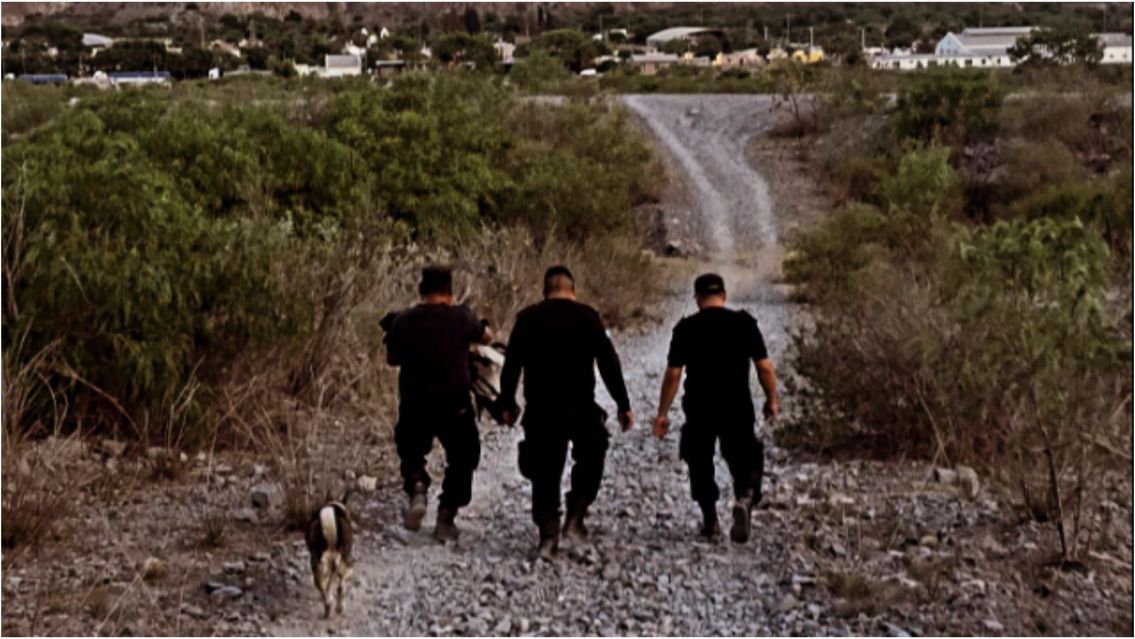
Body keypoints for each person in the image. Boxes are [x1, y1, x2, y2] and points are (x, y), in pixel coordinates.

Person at [499, 266, 633, 560]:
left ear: (545, 291)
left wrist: (506, 404)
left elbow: (511, 367)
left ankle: (548, 536)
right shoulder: (588, 317)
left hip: (542, 410)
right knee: (592, 456)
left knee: (544, 471)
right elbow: (610, 364)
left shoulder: (527, 319)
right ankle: (575, 517)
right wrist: (623, 404)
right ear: (573, 291)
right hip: (581, 408)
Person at [652, 273, 779, 543]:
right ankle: (744, 497)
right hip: (737, 405)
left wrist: (662, 414)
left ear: (697, 298)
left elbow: (673, 375)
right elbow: (764, 367)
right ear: (724, 295)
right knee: (745, 456)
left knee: (699, 461)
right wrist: (772, 400)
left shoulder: (686, 328)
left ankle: (710, 520)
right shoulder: (744, 323)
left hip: (700, 407)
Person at [385, 265, 493, 542]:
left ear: (421, 291)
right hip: (453, 402)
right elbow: (487, 338)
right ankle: (446, 517)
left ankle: (418, 487)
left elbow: (392, 358)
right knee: (464, 455)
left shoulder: (403, 321)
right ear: (450, 291)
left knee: (410, 450)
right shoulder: (462, 317)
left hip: (415, 402)